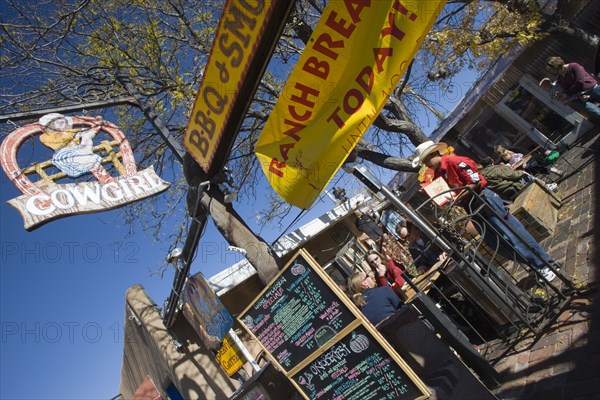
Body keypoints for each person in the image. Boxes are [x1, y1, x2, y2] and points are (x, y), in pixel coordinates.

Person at [412, 141, 558, 282]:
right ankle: (534, 263)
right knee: (495, 243)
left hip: (482, 198)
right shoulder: (438, 175)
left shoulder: (454, 161)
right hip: (471, 206)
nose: (426, 165)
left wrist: (457, 195)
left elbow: (475, 181)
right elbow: (446, 193)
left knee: (511, 233)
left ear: (434, 154)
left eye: (426, 161)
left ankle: (545, 264)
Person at [545, 56, 600, 122]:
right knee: (596, 112)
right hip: (579, 97)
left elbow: (580, 82)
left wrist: (567, 93)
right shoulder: (559, 78)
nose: (550, 71)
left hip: (592, 89)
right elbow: (565, 89)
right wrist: (560, 94)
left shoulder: (574, 66)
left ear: (554, 65)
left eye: (550, 69)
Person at [494, 144, 563, 177]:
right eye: (499, 154)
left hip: (530, 160)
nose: (501, 155)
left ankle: (552, 170)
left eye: (501, 152)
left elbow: (528, 154)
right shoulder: (503, 159)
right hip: (520, 168)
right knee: (524, 173)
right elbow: (510, 166)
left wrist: (524, 161)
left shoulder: (514, 149)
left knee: (531, 167)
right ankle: (553, 170)